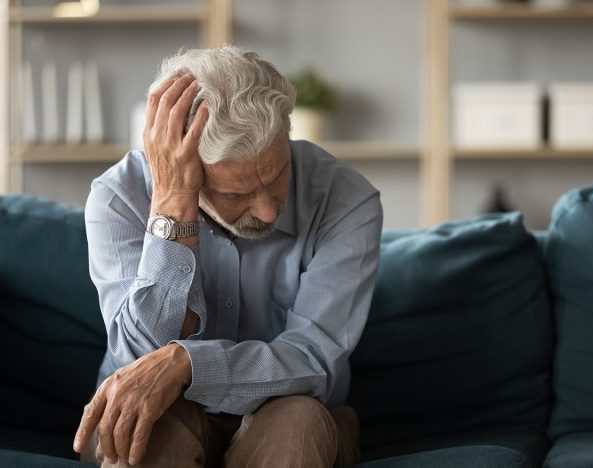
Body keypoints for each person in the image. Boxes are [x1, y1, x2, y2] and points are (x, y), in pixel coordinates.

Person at [73, 45, 383, 468]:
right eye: (235, 194)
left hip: (292, 409)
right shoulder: (118, 198)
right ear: (185, 166)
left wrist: (189, 363)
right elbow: (138, 362)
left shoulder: (347, 199)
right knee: (147, 437)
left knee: (299, 424)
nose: (269, 211)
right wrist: (170, 208)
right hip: (159, 412)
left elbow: (314, 360)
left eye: (277, 176)